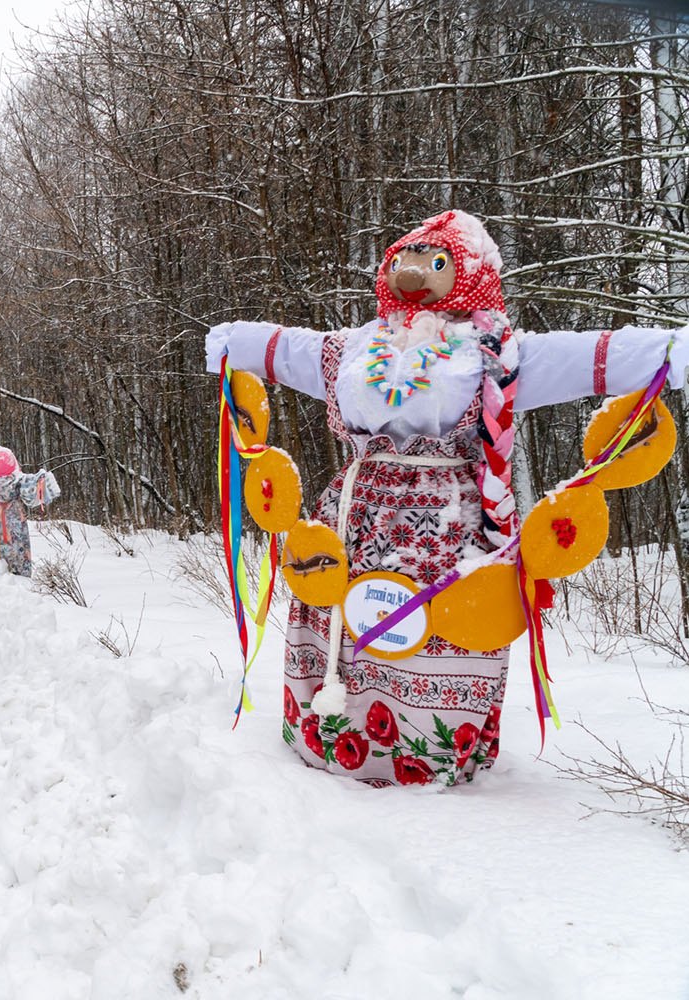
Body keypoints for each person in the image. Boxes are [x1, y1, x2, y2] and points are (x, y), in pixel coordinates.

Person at [205, 208, 688, 786]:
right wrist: (236, 342)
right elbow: (293, 352)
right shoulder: (358, 346)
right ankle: (336, 737)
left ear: (471, 273)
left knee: (440, 619)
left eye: (435, 262)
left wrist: (667, 351)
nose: (413, 273)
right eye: (403, 260)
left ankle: (429, 753)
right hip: (358, 514)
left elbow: (584, 356)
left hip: (452, 520)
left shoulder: (495, 351)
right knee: (349, 617)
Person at [0, 446, 60, 577]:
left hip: (14, 519)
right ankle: (2, 573)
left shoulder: (16, 479)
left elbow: (31, 484)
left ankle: (20, 576)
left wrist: (42, 480)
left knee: (17, 546)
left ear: (2, 462)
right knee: (1, 548)